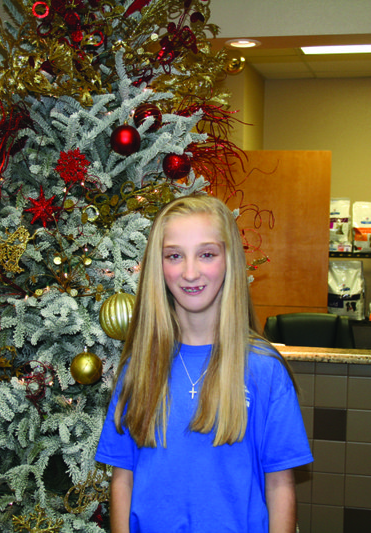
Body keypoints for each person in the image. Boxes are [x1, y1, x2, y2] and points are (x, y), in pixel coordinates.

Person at [95, 193, 313, 533]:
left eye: (206, 254)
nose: (190, 271)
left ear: (229, 261)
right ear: (159, 266)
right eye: (174, 256)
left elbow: (280, 486)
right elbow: (123, 479)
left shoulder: (264, 369)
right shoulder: (138, 368)